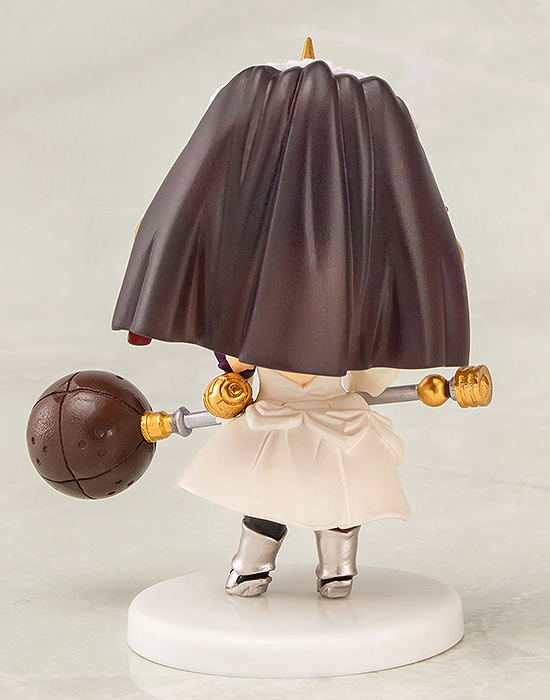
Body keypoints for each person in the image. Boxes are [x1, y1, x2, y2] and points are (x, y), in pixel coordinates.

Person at [112, 53, 469, 599]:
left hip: (337, 422)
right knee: (266, 503)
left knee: (339, 506)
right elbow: (236, 364)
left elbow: (372, 378)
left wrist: (429, 385)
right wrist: (231, 389)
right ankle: (252, 565)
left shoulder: (355, 316)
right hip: (275, 419)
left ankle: (338, 569)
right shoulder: (254, 312)